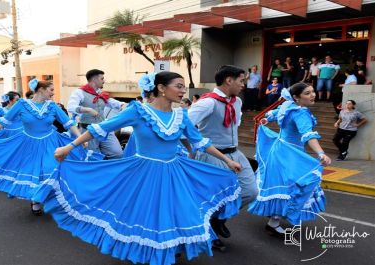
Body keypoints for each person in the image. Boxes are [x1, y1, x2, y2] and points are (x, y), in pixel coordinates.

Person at [33, 71, 242, 265]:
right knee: (145, 213)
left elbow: (200, 142)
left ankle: (167, 249)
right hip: (143, 171)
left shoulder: (182, 116)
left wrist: (227, 160)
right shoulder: (138, 110)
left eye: (183, 87)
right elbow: (100, 129)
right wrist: (69, 147)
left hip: (174, 171)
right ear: (161, 88)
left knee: (173, 211)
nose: (182, 91)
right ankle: (149, 251)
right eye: (178, 86)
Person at [0, 79, 102, 215]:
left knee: (50, 168)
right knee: (33, 170)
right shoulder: (22, 104)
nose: (53, 93)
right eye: (51, 90)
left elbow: (67, 124)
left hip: (50, 143)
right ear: (41, 90)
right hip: (28, 144)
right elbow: (3, 121)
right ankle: (35, 200)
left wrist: (79, 137)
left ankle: (48, 197)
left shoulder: (52, 106)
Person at [188, 65, 258, 251]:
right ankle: (208, 233)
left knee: (250, 191)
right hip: (212, 155)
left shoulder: (237, 102)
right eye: (241, 80)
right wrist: (190, 151)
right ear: (229, 80)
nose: (244, 84)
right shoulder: (207, 103)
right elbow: (184, 127)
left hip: (236, 153)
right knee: (213, 199)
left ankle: (218, 220)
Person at [249, 83, 331, 237]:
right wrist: (320, 153)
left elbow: (272, 114)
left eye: (313, 91)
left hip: (279, 149)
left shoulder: (288, 105)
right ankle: (273, 223)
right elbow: (308, 135)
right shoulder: (300, 113)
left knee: (281, 185)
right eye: (307, 93)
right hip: (290, 154)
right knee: (293, 186)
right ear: (296, 97)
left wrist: (267, 119)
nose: (313, 95)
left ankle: (275, 217)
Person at [67, 69, 125, 159]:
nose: (104, 81)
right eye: (102, 78)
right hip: (88, 130)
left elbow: (113, 102)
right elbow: (70, 107)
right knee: (93, 157)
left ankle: (108, 168)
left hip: (104, 128)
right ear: (94, 79)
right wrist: (87, 109)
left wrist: (122, 104)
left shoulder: (101, 94)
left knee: (117, 153)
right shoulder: (79, 92)